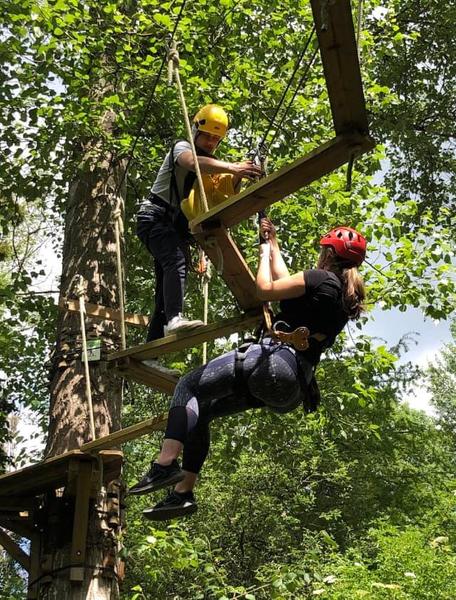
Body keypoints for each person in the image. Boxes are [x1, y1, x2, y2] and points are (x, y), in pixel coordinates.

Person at [129, 220, 367, 519]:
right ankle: (183, 493)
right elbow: (284, 280)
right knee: (202, 409)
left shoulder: (320, 278)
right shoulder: (340, 295)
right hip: (291, 386)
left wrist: (262, 252)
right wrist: (273, 243)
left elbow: (266, 288)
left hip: (273, 363)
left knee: (188, 387)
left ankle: (164, 465)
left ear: (328, 255)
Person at [136, 104, 262, 374]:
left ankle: (151, 353)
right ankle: (174, 320)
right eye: (207, 136)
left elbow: (218, 195)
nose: (211, 143)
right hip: (155, 218)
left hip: (175, 229)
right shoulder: (182, 147)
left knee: (165, 287)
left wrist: (238, 175)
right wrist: (231, 166)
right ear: (195, 131)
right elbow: (192, 162)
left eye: (216, 139)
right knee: (175, 262)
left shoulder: (213, 166)